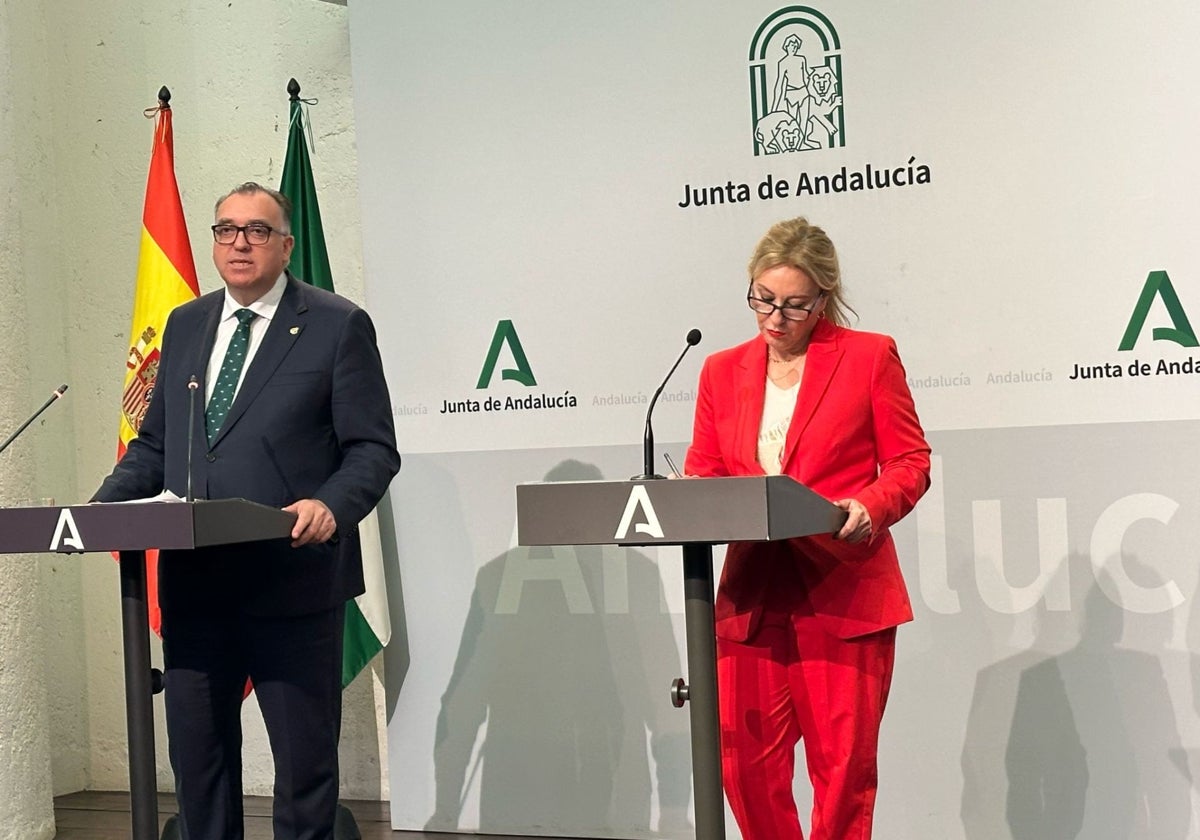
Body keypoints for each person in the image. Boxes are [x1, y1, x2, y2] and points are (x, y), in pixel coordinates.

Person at [93, 182, 401, 840]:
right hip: (196, 588)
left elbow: (372, 449)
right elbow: (154, 446)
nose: (239, 242)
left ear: (286, 246)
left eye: (257, 231)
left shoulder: (336, 324)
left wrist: (330, 504)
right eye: (226, 229)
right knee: (199, 767)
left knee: (303, 769)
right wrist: (98, 511)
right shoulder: (186, 324)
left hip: (291, 581)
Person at [684, 217, 930, 840]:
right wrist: (695, 501)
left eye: (794, 305)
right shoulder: (719, 370)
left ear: (824, 296)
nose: (774, 319)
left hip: (843, 590)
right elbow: (704, 472)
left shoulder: (869, 356)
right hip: (752, 598)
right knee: (743, 771)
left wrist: (870, 506)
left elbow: (910, 461)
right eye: (762, 300)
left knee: (842, 772)